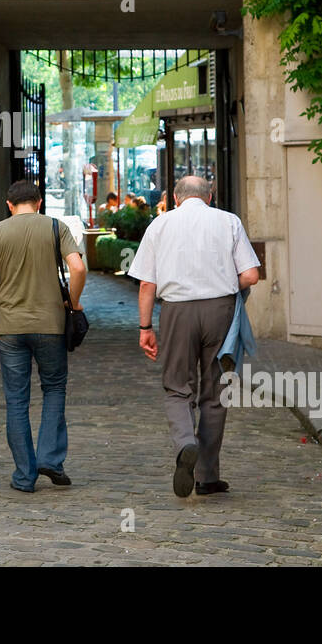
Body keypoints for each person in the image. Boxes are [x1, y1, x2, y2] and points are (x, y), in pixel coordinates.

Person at [128, 175, 260, 498]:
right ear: (210, 196)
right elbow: (251, 275)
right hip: (221, 311)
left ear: (175, 199)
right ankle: (207, 475)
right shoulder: (229, 221)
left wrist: (146, 328)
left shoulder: (160, 226)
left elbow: (147, 284)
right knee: (215, 393)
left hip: (176, 312)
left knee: (177, 387)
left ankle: (186, 442)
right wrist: (223, 286)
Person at [0, 180, 86, 492]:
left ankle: (24, 476)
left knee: (16, 400)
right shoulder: (57, 228)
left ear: (9, 205)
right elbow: (78, 269)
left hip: (10, 327)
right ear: (39, 202)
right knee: (54, 389)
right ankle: (50, 459)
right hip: (50, 324)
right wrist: (74, 302)